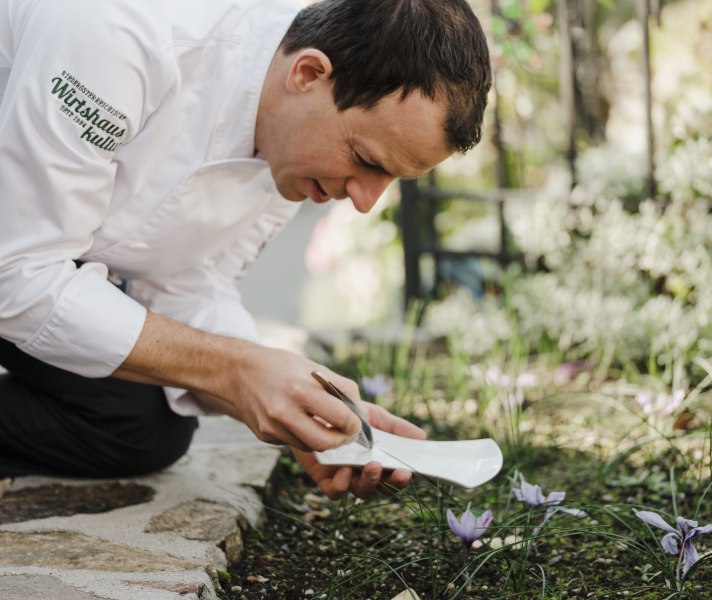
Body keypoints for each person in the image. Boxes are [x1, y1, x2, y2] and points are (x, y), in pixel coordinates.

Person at [0, 0, 491, 499]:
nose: (365, 201)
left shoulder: (296, 142)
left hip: (43, 244)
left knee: (140, 428)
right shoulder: (118, 32)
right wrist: (234, 370)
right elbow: (17, 273)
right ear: (308, 73)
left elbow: (190, 280)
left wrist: (296, 402)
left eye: (392, 180)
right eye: (365, 160)